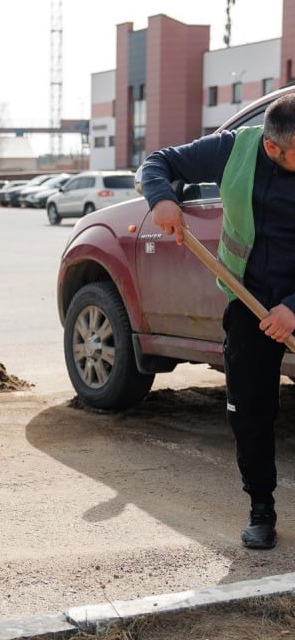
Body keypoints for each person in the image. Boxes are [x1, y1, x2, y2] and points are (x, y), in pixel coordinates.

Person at [139, 93, 295, 550]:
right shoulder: (237, 149)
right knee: (251, 409)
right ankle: (261, 508)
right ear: (273, 147)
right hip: (249, 302)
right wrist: (162, 199)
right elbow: (159, 162)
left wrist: (293, 308)